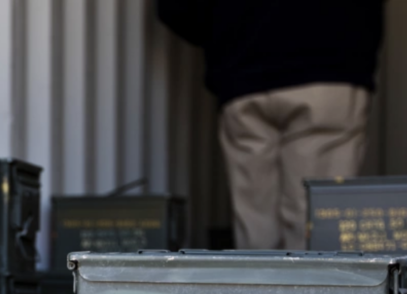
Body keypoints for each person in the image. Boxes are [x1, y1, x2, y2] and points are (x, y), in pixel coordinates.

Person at [157, 1, 385, 250]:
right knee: (317, 225)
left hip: (243, 73)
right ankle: (313, 288)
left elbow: (174, 9)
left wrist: (226, 28)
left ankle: (262, 286)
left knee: (255, 228)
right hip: (330, 60)